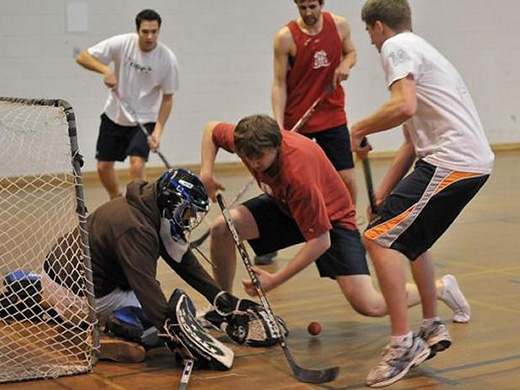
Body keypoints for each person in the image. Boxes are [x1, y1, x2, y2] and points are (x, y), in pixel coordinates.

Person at [199, 115, 470, 332]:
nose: (254, 165)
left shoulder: (297, 174)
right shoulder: (247, 141)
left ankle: (440, 288)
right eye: (247, 159)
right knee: (223, 227)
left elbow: (320, 241)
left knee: (370, 305)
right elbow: (211, 129)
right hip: (286, 207)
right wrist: (206, 173)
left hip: (332, 220)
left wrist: (275, 280)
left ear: (277, 146)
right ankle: (221, 304)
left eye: (260, 159)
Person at [350, 0, 494, 387]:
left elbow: (402, 105)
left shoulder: (396, 48)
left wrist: (357, 128)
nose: (370, 40)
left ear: (378, 27)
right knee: (407, 240)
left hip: (453, 163)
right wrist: (383, 193)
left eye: (368, 32)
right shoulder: (425, 51)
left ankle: (402, 345)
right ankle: (431, 326)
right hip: (458, 162)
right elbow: (412, 142)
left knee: (378, 241)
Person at [40, 169, 286, 367]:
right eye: (188, 212)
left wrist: (221, 298)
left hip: (56, 276)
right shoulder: (136, 228)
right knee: (163, 314)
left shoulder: (146, 205)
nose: (189, 220)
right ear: (174, 204)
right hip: (81, 297)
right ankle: (116, 326)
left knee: (170, 307)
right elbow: (145, 286)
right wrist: (176, 333)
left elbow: (182, 259)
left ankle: (36, 292)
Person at [262, 0, 357, 266]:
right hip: (298, 120)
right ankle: (271, 241)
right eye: (302, 7)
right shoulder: (286, 38)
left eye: (312, 6)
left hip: (332, 114)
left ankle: (346, 232)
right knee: (287, 187)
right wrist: (279, 127)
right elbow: (279, 83)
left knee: (346, 178)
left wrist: (346, 64)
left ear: (321, 3)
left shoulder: (339, 25)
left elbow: (351, 52)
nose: (308, 12)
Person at [76, 9, 178, 199]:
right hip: (115, 114)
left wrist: (158, 131)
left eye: (154, 31)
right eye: (145, 31)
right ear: (137, 29)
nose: (149, 36)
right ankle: (115, 198)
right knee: (103, 166)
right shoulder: (122, 43)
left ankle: (137, 206)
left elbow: (168, 98)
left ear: (159, 31)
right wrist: (105, 70)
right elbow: (82, 57)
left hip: (145, 118)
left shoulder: (167, 59)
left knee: (137, 164)